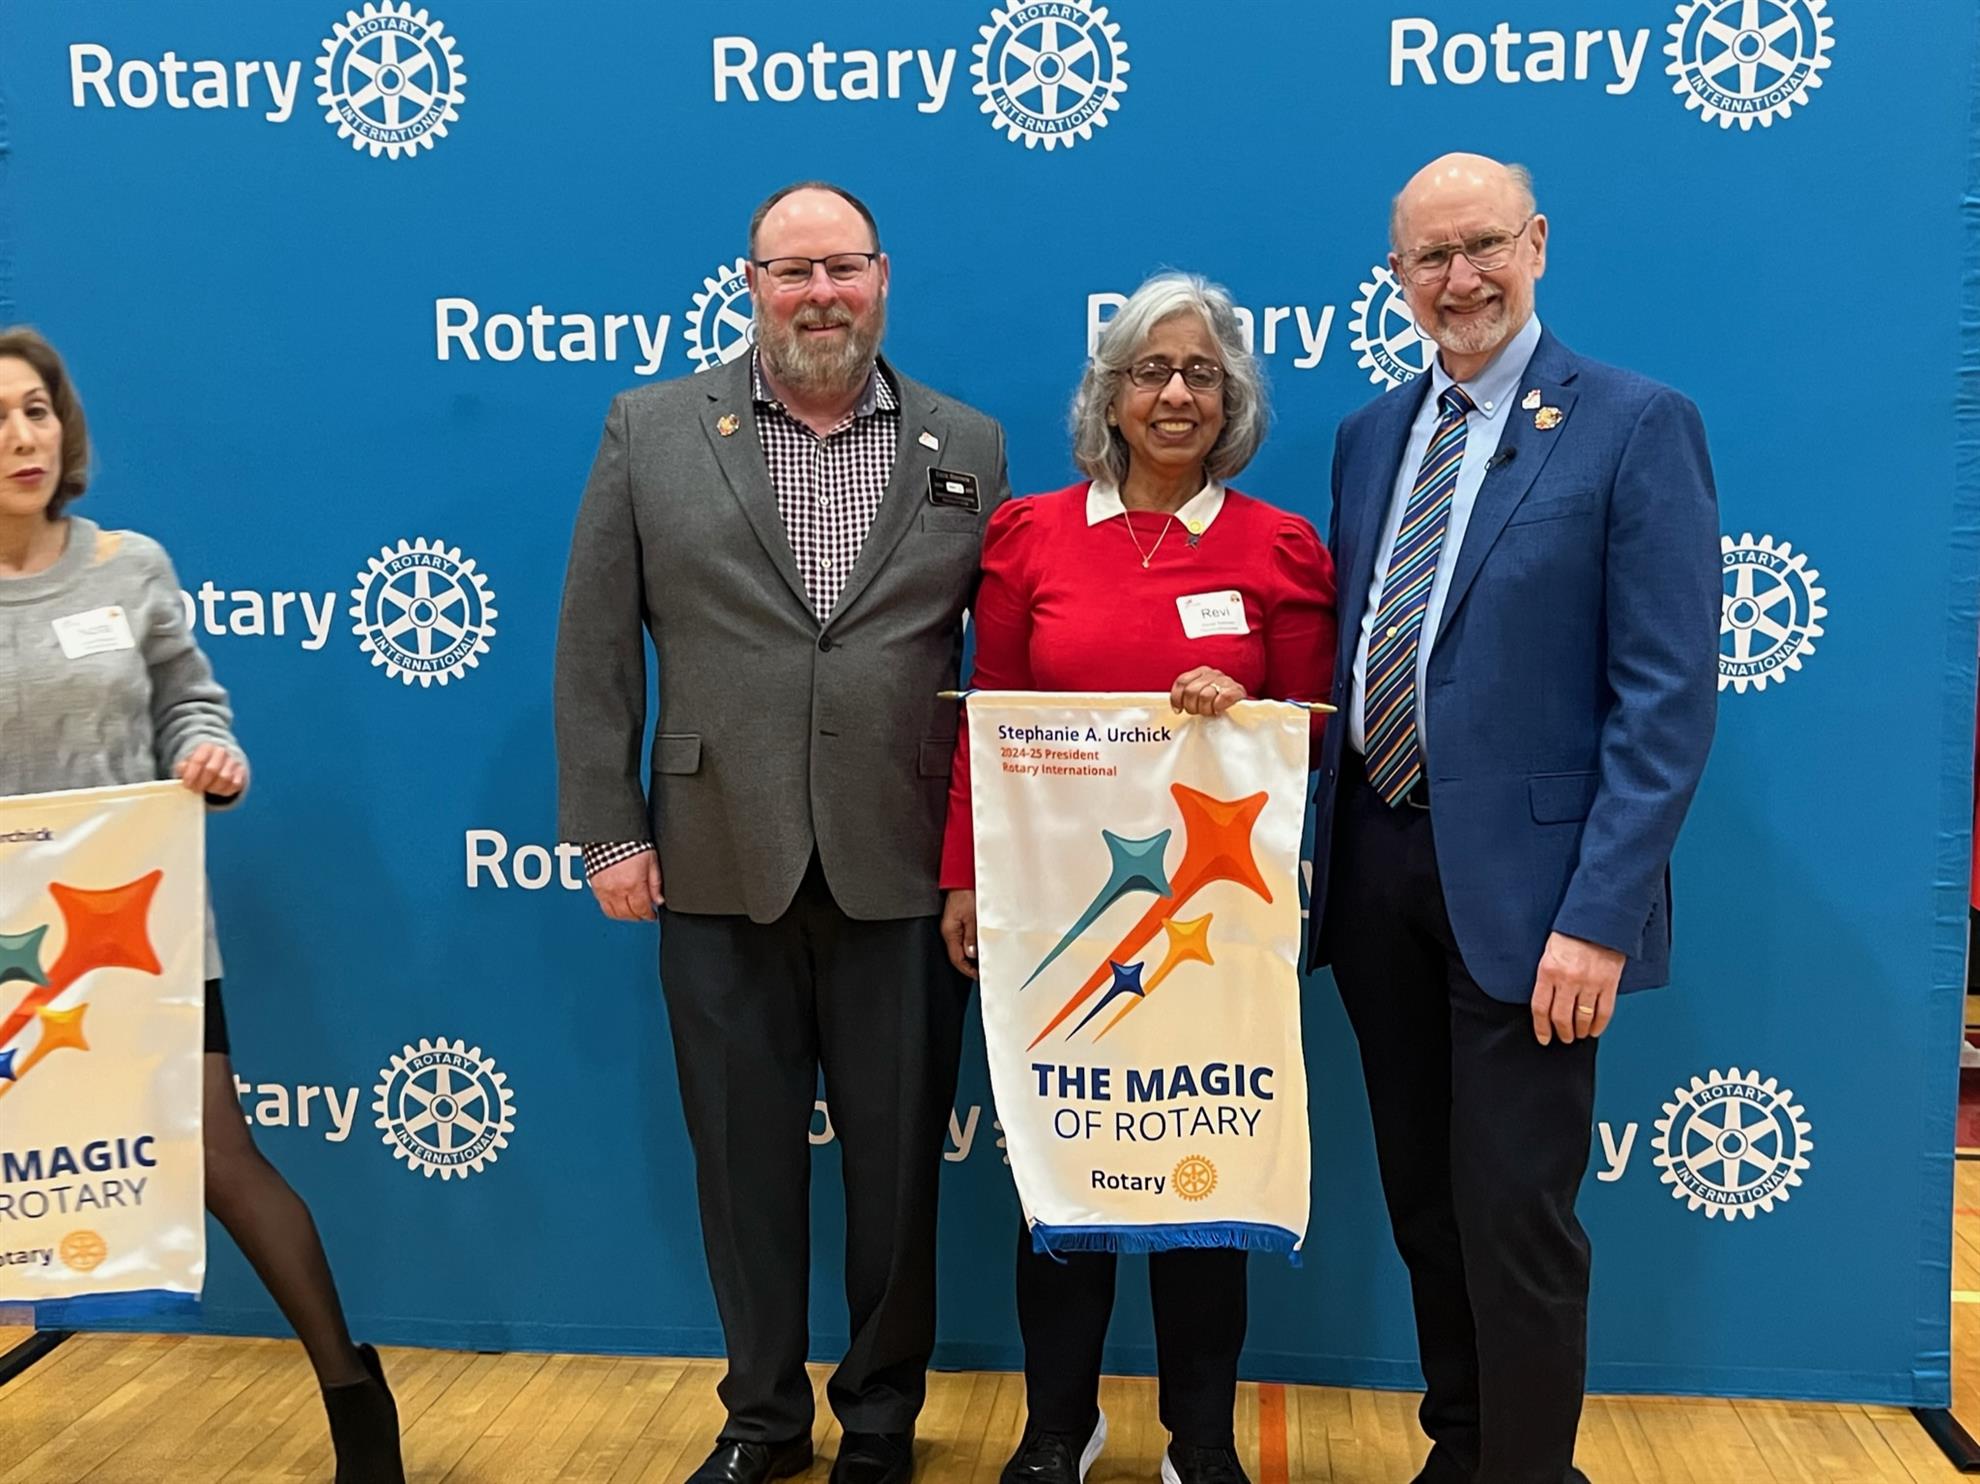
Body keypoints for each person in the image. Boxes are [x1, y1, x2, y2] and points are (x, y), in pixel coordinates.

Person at [554, 182, 1010, 1484]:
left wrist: (982, 859)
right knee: (742, 1172)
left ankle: (880, 1422)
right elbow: (594, 643)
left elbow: (996, 662)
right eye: (793, 271)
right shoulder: (648, 427)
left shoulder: (968, 443)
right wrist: (608, 830)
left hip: (903, 869)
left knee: (899, 1177)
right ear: (750, 283)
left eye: (843, 268)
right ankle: (761, 1420)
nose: (821, 295)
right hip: (713, 857)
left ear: (882, 278)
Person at [1309, 154, 1719, 1484]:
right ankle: (1465, 1447)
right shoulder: (1370, 436)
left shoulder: (1635, 424)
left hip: (1540, 902)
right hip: (1377, 872)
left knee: (1516, 1214)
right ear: (1397, 276)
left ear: (1536, 241)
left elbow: (1665, 699)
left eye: (1483, 244)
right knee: (1426, 1205)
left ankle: (1532, 1471)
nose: (1460, 277)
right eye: (1430, 256)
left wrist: (1600, 918)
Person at [937, 272, 1337, 1484]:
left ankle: (1200, 1440)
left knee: (1198, 1161)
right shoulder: (1030, 535)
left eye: (1201, 373)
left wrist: (1244, 707)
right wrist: (963, 877)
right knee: (1066, 1161)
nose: (1175, 394)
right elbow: (987, 719)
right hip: (1060, 917)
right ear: (1108, 396)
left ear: (1232, 399)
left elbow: (1315, 734)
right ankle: (1059, 1427)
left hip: (1215, 922)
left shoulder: (1277, 547)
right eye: (1151, 372)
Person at [0, 327, 403, 1484]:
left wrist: (207, 754)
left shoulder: (129, 565)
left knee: (222, 1156)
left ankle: (354, 1397)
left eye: (36, 409)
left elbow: (190, 704)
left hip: (129, 931)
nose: (22, 436)